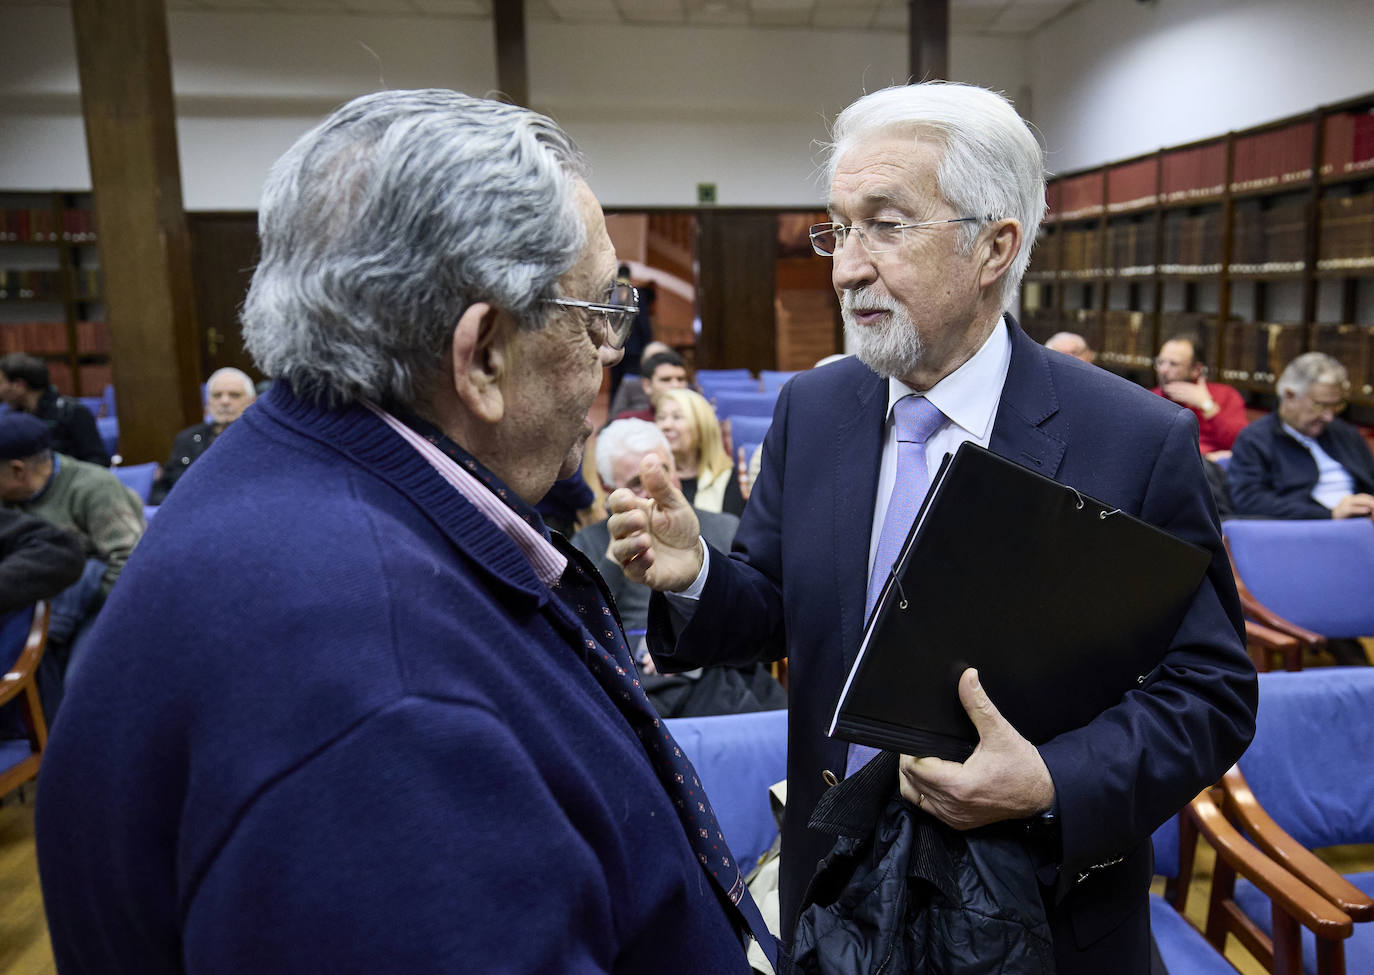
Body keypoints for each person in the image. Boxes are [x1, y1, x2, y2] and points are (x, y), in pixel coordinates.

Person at [35, 90, 770, 975]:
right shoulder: (381, 704)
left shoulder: (291, 467)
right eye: (597, 315)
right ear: (484, 354)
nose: (611, 354)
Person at [609, 82, 1256, 973]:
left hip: (1045, 912)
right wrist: (694, 574)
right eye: (838, 228)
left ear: (996, 245)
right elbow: (778, 605)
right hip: (836, 894)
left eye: (886, 224)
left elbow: (1210, 689)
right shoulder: (818, 408)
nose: (844, 267)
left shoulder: (1132, 440)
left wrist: (1051, 781)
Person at [573, 419, 782, 718]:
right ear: (609, 490)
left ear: (677, 475)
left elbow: (756, 626)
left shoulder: (724, 528)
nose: (652, 493)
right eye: (635, 484)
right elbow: (582, 631)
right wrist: (611, 559)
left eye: (662, 474)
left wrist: (684, 651)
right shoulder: (589, 544)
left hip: (719, 673)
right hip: (634, 681)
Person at [1228, 352, 1374, 520]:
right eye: (1321, 405)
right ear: (1289, 396)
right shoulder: (1255, 439)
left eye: (1336, 406)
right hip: (1304, 530)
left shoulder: (1345, 434)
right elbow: (1249, 501)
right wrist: (1329, 514)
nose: (1329, 417)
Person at [148, 367, 257, 505]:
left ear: (252, 401)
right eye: (217, 395)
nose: (224, 401)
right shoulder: (187, 438)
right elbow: (161, 491)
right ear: (208, 402)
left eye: (234, 395)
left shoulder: (262, 440)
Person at [0, 353, 109, 466]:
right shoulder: (11, 418)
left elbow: (98, 462)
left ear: (19, 385)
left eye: (1, 382)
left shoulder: (73, 412)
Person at [1151, 334, 1247, 459]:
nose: (1163, 370)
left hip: (1212, 472)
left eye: (1173, 364)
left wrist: (1207, 405)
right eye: (1160, 362)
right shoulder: (1150, 397)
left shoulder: (1226, 395)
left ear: (1196, 369)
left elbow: (1243, 445)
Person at [655, 387, 745, 516]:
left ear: (701, 426)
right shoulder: (647, 476)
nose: (666, 425)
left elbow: (727, 532)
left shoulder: (725, 478)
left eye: (677, 417)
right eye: (661, 418)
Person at [610, 346, 687, 422]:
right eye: (666, 380)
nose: (675, 385)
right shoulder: (626, 422)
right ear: (647, 385)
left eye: (681, 379)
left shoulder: (697, 417)